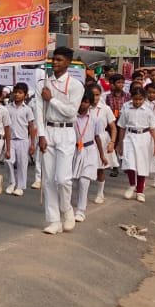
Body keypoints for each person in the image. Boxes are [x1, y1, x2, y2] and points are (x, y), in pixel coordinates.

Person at [37, 47, 84, 235]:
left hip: (66, 132)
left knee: (63, 179)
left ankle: (67, 209)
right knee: (48, 179)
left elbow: (72, 112)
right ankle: (53, 220)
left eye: (59, 60)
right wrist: (41, 135)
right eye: (53, 59)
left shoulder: (76, 85)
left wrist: (52, 100)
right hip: (48, 130)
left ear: (68, 62)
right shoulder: (43, 83)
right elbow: (39, 111)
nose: (55, 62)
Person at [114, 82, 155, 202]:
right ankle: (131, 185)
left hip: (144, 138)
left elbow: (153, 129)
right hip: (130, 137)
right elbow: (122, 127)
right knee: (129, 162)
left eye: (140, 99)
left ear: (144, 99)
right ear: (131, 98)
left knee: (142, 164)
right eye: (135, 99)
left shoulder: (148, 111)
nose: (138, 102)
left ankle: (140, 191)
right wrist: (120, 143)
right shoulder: (127, 109)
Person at [70, 88, 107, 224]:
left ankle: (80, 211)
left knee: (84, 180)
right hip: (74, 150)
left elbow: (97, 137)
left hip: (89, 150)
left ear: (90, 103)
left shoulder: (95, 118)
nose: (83, 104)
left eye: (86, 102)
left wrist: (102, 155)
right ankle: (73, 203)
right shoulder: (71, 117)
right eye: (81, 101)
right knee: (74, 181)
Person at [2, 82, 36, 197]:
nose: (17, 94)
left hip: (23, 140)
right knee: (8, 161)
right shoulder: (7, 108)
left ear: (25, 95)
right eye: (16, 92)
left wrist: (32, 144)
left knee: (22, 164)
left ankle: (20, 186)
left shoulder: (27, 109)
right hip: (10, 140)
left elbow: (31, 127)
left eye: (20, 93)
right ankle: (12, 182)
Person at [89, 83, 116, 203]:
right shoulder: (84, 107)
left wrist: (112, 142)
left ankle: (100, 193)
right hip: (88, 139)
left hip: (102, 138)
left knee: (100, 168)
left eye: (97, 95)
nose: (95, 97)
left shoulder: (105, 109)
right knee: (86, 167)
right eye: (92, 95)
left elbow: (113, 127)